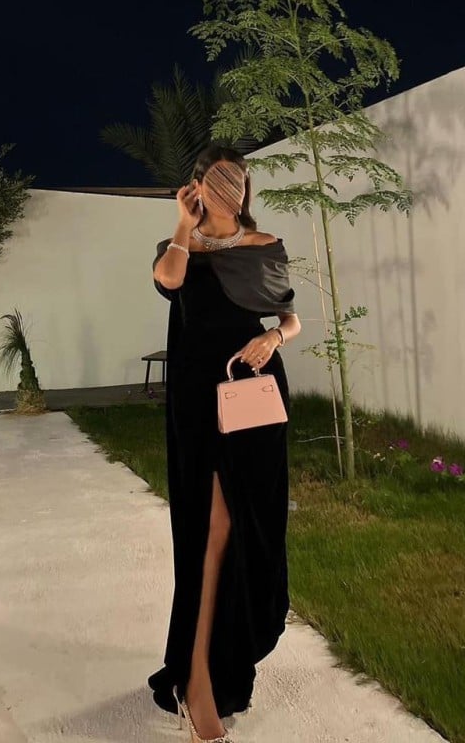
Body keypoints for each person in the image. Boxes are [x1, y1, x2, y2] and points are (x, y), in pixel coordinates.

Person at [147, 143, 301, 743]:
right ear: (196, 188)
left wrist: (273, 340)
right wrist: (183, 226)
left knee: (249, 528)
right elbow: (168, 281)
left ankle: (226, 662)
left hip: (253, 391)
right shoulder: (178, 248)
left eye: (236, 180)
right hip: (197, 400)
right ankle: (198, 686)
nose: (228, 190)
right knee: (210, 530)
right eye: (215, 180)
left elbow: (289, 317)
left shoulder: (265, 245)